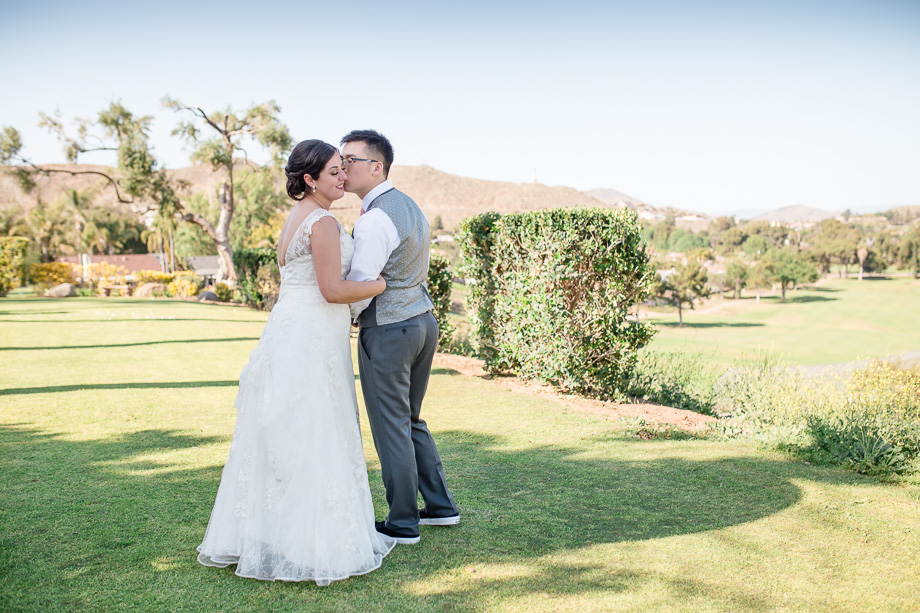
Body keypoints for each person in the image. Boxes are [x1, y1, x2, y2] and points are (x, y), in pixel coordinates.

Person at [197, 140, 396, 584]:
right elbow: (332, 290)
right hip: (310, 333)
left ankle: (283, 534)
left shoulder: (296, 218)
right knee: (314, 428)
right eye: (333, 172)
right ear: (309, 179)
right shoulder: (323, 222)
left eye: (343, 169)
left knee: (292, 431)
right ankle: (314, 542)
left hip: (292, 328)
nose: (342, 177)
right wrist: (380, 285)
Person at [343, 130, 459, 545]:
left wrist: (348, 319)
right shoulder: (408, 205)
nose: (343, 166)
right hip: (423, 321)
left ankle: (403, 522)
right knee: (410, 420)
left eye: (351, 159)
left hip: (390, 329)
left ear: (377, 166)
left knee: (392, 425)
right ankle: (441, 508)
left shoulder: (375, 218)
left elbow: (362, 281)